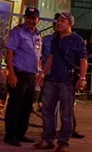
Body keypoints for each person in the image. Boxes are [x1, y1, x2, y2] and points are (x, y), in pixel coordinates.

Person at [36, 13, 87, 152]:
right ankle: (47, 140)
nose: (59, 23)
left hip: (67, 81)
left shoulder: (77, 40)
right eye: (58, 21)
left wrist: (82, 78)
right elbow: (51, 57)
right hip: (52, 80)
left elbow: (83, 59)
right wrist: (43, 72)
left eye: (62, 21)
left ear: (70, 24)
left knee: (66, 114)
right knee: (47, 110)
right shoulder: (55, 39)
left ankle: (63, 143)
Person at [4, 5, 42, 147]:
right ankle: (10, 135)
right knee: (15, 105)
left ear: (38, 20)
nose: (31, 20)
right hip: (18, 73)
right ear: (25, 18)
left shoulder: (38, 35)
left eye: (34, 18)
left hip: (31, 75)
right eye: (28, 18)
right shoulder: (17, 32)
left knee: (26, 106)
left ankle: (20, 133)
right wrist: (11, 73)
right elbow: (10, 52)